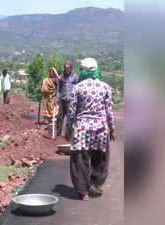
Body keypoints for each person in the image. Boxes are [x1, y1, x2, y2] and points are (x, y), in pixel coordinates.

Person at [68, 58, 115, 201]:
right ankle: (95, 183)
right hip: (100, 129)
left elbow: (71, 111)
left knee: (80, 160)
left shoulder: (77, 88)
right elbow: (109, 112)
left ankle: (83, 192)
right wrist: (112, 129)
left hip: (82, 129)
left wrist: (69, 128)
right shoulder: (106, 87)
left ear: (83, 71)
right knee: (99, 158)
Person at [57, 61, 79, 139]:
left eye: (68, 68)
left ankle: (68, 135)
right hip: (62, 99)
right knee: (59, 117)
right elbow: (58, 88)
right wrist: (57, 98)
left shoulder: (75, 77)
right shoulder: (61, 76)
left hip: (71, 100)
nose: (66, 69)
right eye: (65, 68)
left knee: (70, 118)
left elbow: (78, 88)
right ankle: (58, 133)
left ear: (71, 68)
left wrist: (76, 99)